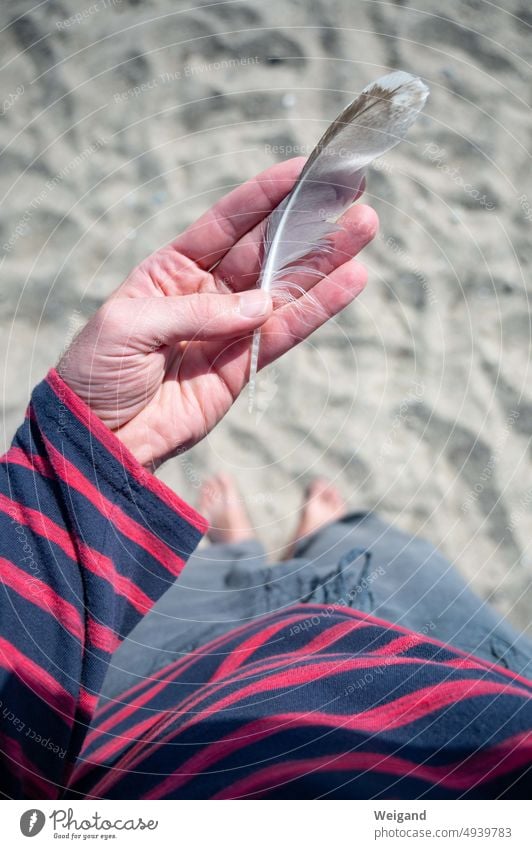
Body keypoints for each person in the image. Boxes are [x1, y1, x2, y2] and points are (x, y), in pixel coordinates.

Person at [1, 159, 531, 800]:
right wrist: (95, 447)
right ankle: (316, 536)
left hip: (156, 714)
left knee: (201, 581)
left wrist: (86, 456)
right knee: (379, 554)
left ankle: (236, 551)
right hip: (443, 663)